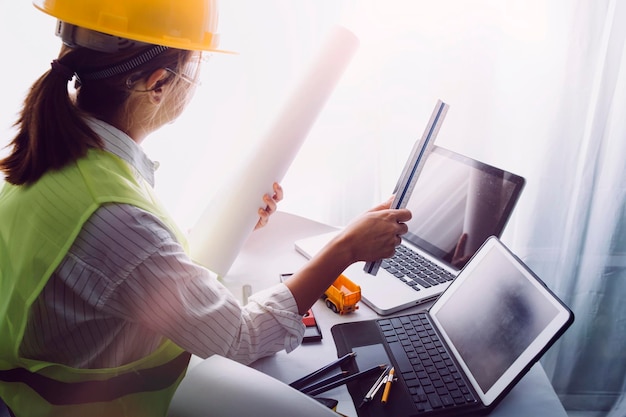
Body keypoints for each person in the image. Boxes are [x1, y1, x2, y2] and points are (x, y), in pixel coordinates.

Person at [0, 1, 411, 416]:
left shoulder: (62, 156)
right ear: (158, 83)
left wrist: (232, 224)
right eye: (195, 67)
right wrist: (342, 250)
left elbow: (119, 273)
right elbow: (239, 340)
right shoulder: (115, 216)